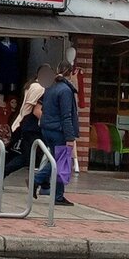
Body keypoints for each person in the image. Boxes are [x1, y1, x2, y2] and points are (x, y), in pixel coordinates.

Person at [34, 60, 79, 206]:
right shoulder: (65, 90)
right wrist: (70, 137)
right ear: (71, 73)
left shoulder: (50, 87)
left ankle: (53, 191)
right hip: (58, 130)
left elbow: (44, 109)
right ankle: (50, 190)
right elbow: (66, 116)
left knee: (57, 160)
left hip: (47, 129)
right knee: (62, 162)